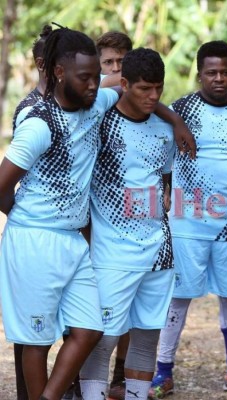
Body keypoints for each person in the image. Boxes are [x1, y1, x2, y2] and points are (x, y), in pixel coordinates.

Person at [0, 27, 120, 400]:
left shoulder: (95, 102)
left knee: (89, 329)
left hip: (73, 240)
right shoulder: (38, 124)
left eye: (96, 76)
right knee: (36, 340)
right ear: (58, 73)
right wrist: (21, 214)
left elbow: (127, 84)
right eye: (85, 77)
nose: (93, 85)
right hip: (35, 241)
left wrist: (175, 119)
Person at [149, 40, 227, 398]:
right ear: (199, 73)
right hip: (186, 224)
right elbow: (161, 153)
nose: (219, 78)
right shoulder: (179, 110)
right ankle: (163, 372)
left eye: (225, 72)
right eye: (211, 72)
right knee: (178, 298)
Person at [78, 47, 175, 400]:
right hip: (112, 253)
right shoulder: (99, 123)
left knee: (148, 334)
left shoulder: (166, 128)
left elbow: (164, 179)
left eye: (158, 89)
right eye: (143, 89)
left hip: (159, 252)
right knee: (103, 338)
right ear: (125, 84)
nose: (152, 97)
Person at [9, 23, 52, 400]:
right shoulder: (33, 112)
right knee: (30, 330)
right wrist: (16, 212)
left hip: (65, 231)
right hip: (34, 230)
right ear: (44, 64)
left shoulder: (68, 104)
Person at [95, 29, 134, 400]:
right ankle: (85, 375)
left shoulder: (147, 107)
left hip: (133, 222)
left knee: (127, 309)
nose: (115, 70)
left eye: (122, 63)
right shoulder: (91, 104)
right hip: (94, 217)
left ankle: (121, 377)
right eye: (108, 63)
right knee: (94, 305)